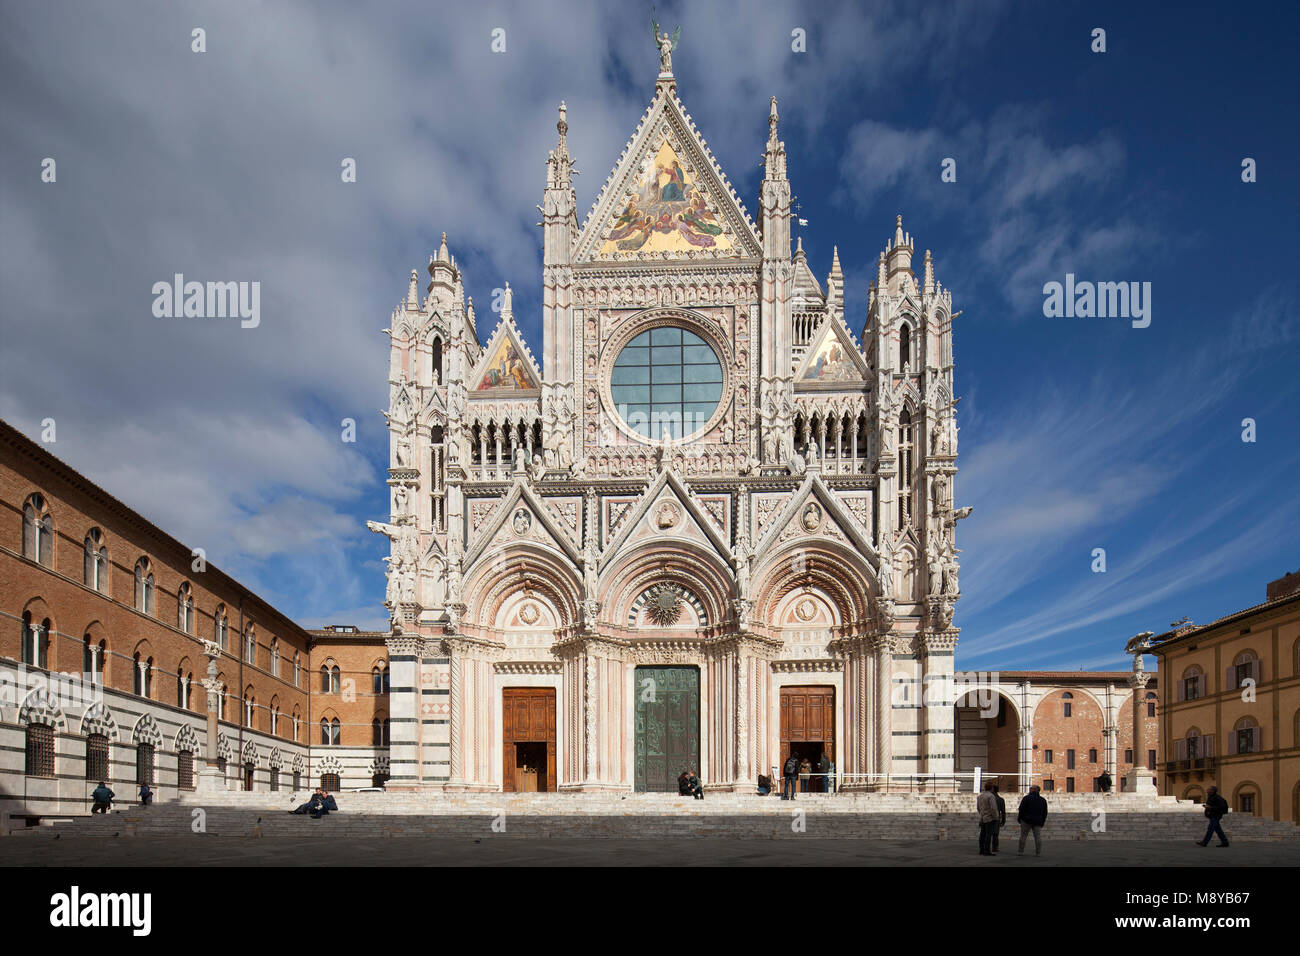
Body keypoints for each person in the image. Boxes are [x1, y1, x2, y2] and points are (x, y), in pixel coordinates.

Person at [1016, 784, 1049, 856]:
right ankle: (1038, 852)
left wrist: (1020, 818)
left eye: (1031, 789)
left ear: (1035, 790)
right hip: (1038, 821)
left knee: (1023, 836)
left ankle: (1020, 851)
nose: (1029, 790)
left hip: (1026, 820)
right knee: (1038, 837)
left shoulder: (1026, 798)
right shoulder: (1043, 800)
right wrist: (1043, 821)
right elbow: (1045, 812)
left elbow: (1021, 809)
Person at [976, 782, 999, 856]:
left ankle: (981, 849)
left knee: (982, 834)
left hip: (982, 817)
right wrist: (996, 817)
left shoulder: (980, 796)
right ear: (991, 788)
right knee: (988, 835)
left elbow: (978, 807)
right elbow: (993, 808)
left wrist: (981, 814)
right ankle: (987, 850)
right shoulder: (991, 796)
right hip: (989, 818)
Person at [991, 783, 1006, 854]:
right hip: (997, 818)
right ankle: (995, 847)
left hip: (988, 817)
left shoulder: (990, 798)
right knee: (995, 834)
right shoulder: (1001, 799)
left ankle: (986, 847)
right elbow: (1003, 811)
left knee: (986, 833)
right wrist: (1003, 820)